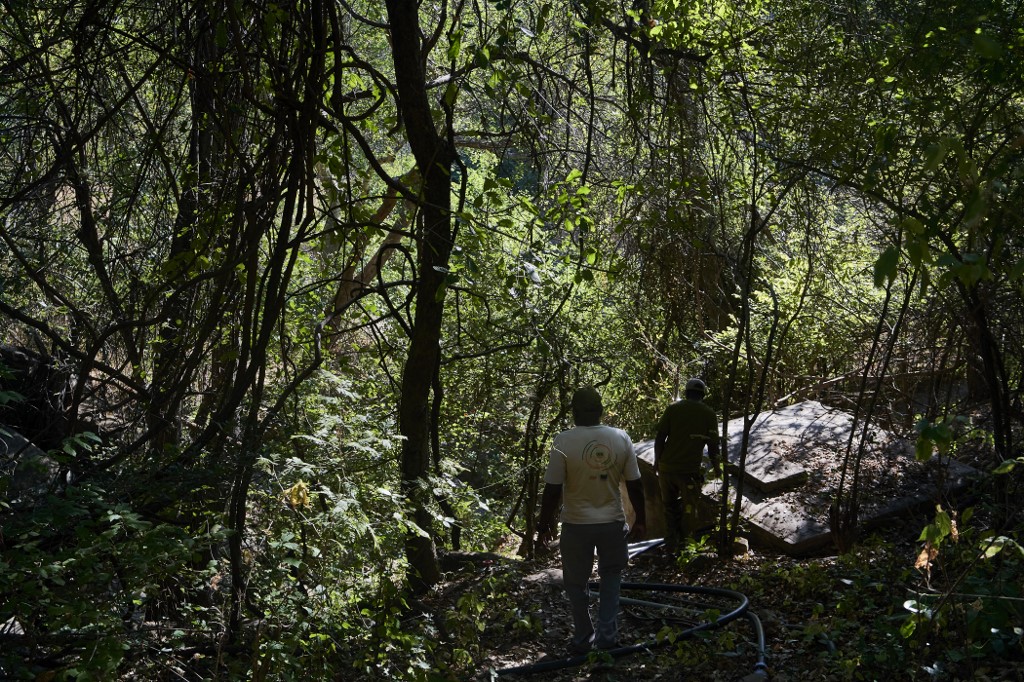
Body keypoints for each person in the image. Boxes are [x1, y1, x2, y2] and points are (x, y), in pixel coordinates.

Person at [537, 386, 646, 655]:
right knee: (611, 577)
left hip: (576, 525)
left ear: (574, 412)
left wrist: (543, 527)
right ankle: (607, 636)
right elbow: (635, 483)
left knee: (576, 583)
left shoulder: (563, 441)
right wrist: (641, 520)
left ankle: (583, 637)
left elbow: (552, 489)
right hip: (612, 523)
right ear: (600, 411)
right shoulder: (620, 437)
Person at [654, 377, 721, 551]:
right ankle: (686, 547)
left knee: (669, 507)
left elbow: (660, 437)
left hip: (667, 468)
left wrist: (656, 462)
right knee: (689, 509)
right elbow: (713, 445)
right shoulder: (708, 413)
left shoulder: (673, 409)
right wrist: (717, 467)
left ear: (686, 393)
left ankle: (671, 545)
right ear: (703, 394)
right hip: (689, 471)